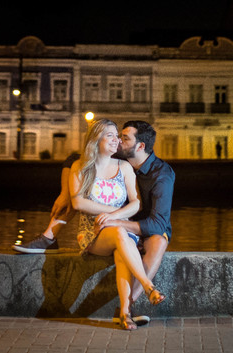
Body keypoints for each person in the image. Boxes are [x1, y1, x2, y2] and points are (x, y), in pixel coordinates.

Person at [67, 118, 165, 330]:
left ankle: (124, 313)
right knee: (121, 233)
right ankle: (148, 286)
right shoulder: (81, 167)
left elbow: (136, 203)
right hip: (92, 233)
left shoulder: (124, 166)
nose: (117, 140)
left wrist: (116, 218)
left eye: (118, 136)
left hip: (119, 231)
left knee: (122, 246)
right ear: (96, 140)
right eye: (110, 135)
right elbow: (77, 202)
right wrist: (114, 214)